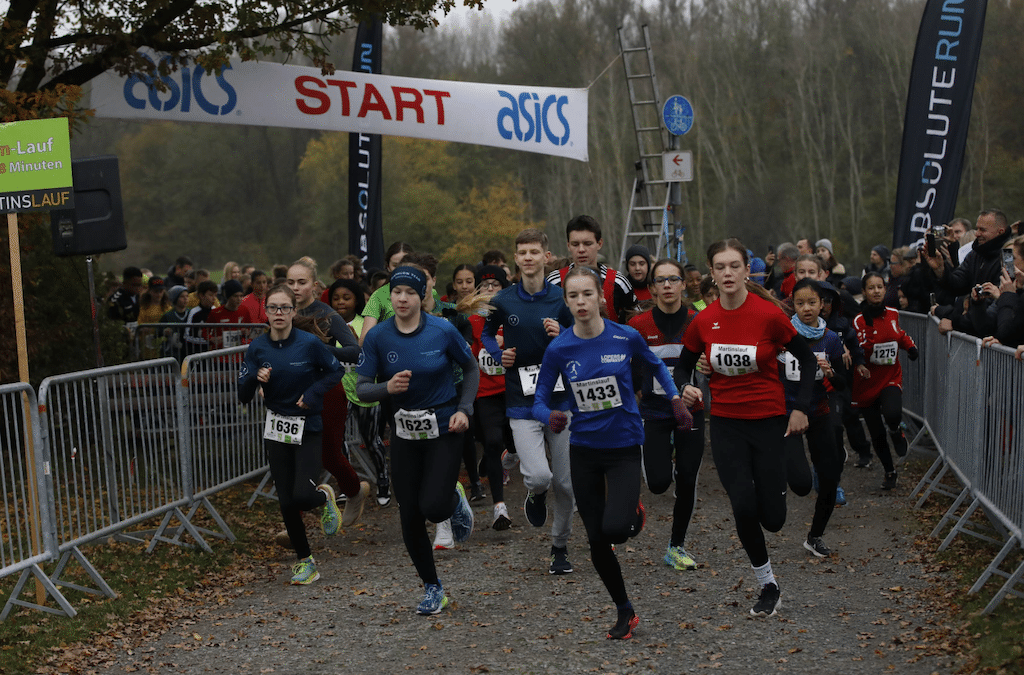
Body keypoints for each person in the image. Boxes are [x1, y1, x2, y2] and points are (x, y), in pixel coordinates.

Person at [533, 266, 692, 640]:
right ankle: (625, 610)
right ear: (567, 302)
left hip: (623, 446)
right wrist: (552, 416)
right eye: (573, 296)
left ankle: (632, 509)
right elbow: (539, 401)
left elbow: (656, 366)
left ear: (600, 298)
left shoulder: (626, 336)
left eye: (587, 294)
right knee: (596, 540)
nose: (581, 302)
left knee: (616, 530)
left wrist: (674, 399)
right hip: (584, 449)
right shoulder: (560, 348)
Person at [675, 238, 817, 618]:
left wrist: (800, 408)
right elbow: (683, 364)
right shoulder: (703, 320)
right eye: (719, 267)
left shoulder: (768, 314)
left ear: (745, 270)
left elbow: (805, 359)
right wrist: (684, 386)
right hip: (725, 425)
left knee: (773, 519)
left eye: (734, 266)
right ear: (711, 273)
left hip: (770, 421)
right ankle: (767, 583)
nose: (727, 273)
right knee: (741, 504)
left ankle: (779, 490)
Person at [355, 266, 478, 615]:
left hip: (444, 426)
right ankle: (432, 588)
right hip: (405, 433)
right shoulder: (379, 336)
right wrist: (387, 388)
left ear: (423, 295)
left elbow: (470, 369)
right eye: (397, 293)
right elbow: (363, 388)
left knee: (434, 508)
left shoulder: (442, 330)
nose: (403, 298)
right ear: (389, 296)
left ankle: (452, 498)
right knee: (409, 514)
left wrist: (464, 409)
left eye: (410, 292)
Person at [482, 228, 577, 575]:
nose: (527, 258)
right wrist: (498, 353)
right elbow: (486, 332)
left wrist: (563, 335)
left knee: (566, 484)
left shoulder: (561, 298)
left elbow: (582, 334)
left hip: (560, 400)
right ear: (516, 259)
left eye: (534, 251)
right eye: (521, 252)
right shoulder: (504, 300)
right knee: (539, 476)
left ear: (546, 257)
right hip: (520, 401)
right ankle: (535, 494)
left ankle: (559, 546)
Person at [237, 284, 344, 584]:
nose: (279, 313)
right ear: (266, 312)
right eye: (273, 308)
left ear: (294, 312)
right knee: (286, 501)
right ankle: (305, 560)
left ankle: (322, 497)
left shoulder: (309, 343)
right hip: (277, 429)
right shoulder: (258, 348)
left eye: (285, 308)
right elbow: (243, 395)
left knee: (301, 496)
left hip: (308, 428)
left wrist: (312, 392)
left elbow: (336, 371)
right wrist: (255, 379)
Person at [628, 259, 705, 571]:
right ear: (653, 287)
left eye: (674, 279)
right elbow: (629, 372)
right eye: (661, 280)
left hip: (692, 412)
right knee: (659, 483)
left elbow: (711, 358)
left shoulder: (698, 321)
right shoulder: (639, 326)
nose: (668, 285)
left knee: (687, 478)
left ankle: (676, 546)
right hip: (654, 412)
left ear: (683, 284)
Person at [287, 257, 369, 531]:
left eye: (301, 282)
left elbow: (354, 351)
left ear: (314, 285)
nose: (295, 288)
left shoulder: (326, 314)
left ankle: (355, 492)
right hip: (291, 393)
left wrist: (318, 351)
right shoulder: (280, 311)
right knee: (290, 455)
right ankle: (293, 525)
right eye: (290, 282)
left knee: (330, 455)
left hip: (327, 392)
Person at [781, 279, 847, 557]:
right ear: (792, 305)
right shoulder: (782, 336)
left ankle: (815, 536)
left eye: (812, 303)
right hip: (787, 414)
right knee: (801, 484)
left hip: (819, 412)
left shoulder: (831, 339)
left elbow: (845, 384)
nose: (806, 308)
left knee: (831, 476)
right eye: (800, 303)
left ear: (823, 305)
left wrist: (831, 372)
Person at [851, 271, 919, 490]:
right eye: (871, 288)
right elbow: (862, 350)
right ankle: (889, 471)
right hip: (867, 382)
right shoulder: (859, 320)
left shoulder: (893, 313)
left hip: (890, 376)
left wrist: (909, 346)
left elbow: (898, 334)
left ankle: (895, 430)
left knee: (892, 413)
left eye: (879, 286)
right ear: (864, 292)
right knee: (876, 433)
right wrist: (869, 327)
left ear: (885, 288)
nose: (876, 291)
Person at [331, 278, 392, 507]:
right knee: (337, 440)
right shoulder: (329, 326)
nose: (340, 302)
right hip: (341, 391)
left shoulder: (365, 323)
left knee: (372, 440)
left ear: (357, 300)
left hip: (365, 391)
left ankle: (383, 481)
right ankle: (349, 485)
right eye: (336, 298)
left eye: (346, 298)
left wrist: (359, 347)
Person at [464, 265, 514, 530]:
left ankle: (511, 457)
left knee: (513, 446)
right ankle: (499, 508)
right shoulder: (472, 321)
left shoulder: (515, 316)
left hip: (515, 390)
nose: (491, 289)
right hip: (486, 394)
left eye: (496, 284)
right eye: (485, 286)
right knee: (492, 442)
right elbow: (469, 359)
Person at [546, 215, 637, 322]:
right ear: (568, 246)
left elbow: (635, 321)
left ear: (599, 244)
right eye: (575, 244)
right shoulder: (553, 282)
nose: (581, 250)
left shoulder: (618, 282)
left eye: (587, 244)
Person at [138, 277, 171, 360]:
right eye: (156, 292)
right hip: (148, 347)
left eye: (161, 291)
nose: (159, 294)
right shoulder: (144, 307)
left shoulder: (167, 307)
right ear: (149, 291)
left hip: (164, 347)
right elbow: (140, 326)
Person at [184, 280, 219, 355]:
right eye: (210, 295)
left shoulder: (215, 310)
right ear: (201, 295)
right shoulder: (194, 312)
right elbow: (187, 335)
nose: (214, 298)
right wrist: (208, 340)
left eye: (215, 295)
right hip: (197, 352)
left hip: (213, 352)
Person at [161, 285, 190, 363]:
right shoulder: (168, 315)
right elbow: (159, 330)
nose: (185, 299)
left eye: (187, 296)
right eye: (182, 296)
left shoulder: (191, 313)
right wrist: (165, 331)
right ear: (175, 299)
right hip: (173, 350)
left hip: (188, 349)